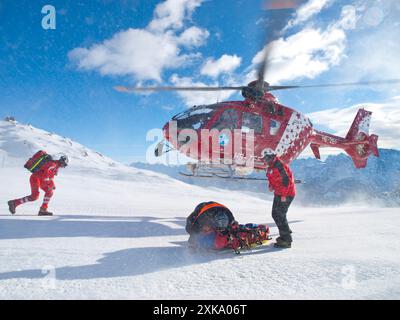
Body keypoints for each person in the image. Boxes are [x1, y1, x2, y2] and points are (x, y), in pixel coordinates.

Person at [263, 151, 296, 248]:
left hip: (286, 194)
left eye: (267, 158)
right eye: (265, 158)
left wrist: (283, 195)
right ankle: (285, 232)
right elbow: (272, 179)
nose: (266, 160)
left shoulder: (279, 166)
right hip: (279, 193)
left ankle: (286, 240)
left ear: (272, 157)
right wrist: (271, 186)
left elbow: (286, 181)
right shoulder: (271, 166)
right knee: (276, 214)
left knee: (279, 215)